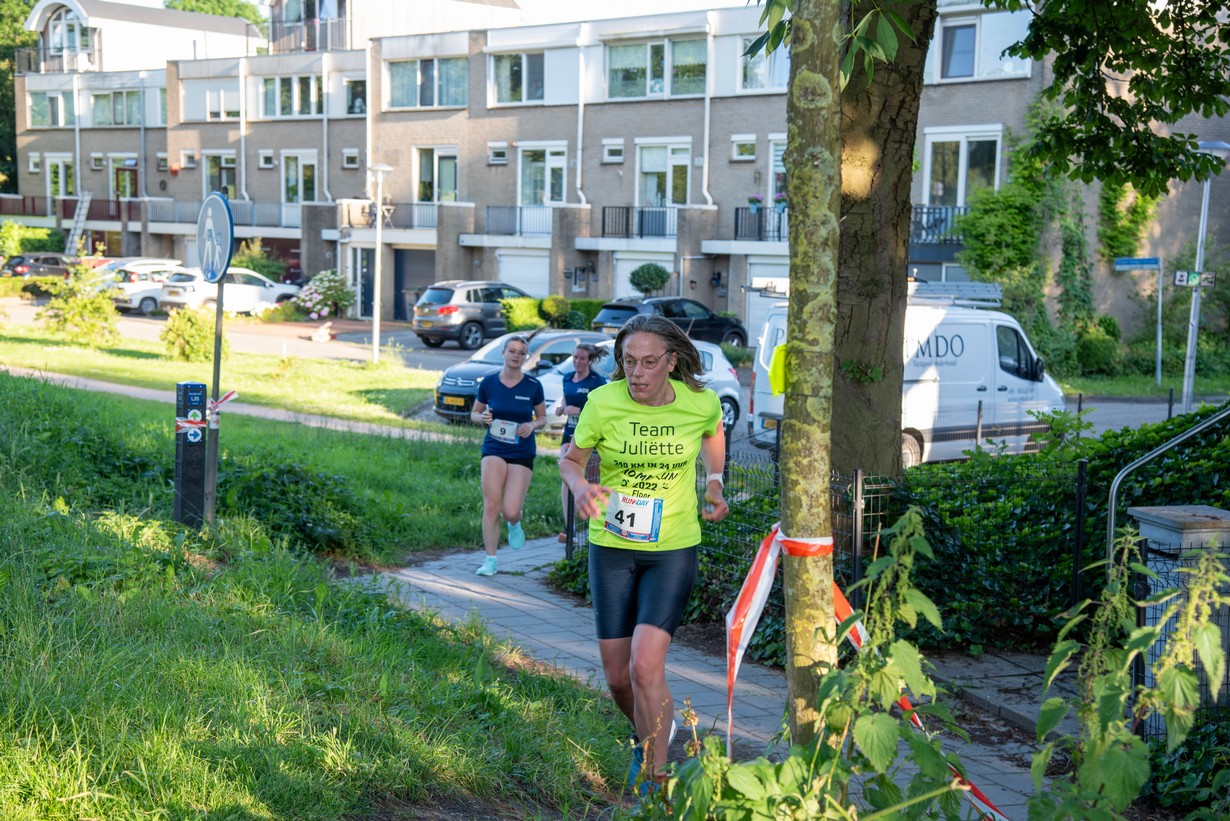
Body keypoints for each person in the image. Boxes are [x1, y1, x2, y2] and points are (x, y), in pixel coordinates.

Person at [558, 315, 729, 793]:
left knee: (645, 664)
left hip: (672, 545)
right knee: (617, 678)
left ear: (672, 362)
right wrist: (580, 486)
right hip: (612, 547)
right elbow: (569, 461)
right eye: (629, 362)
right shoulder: (602, 402)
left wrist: (713, 481)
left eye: (649, 362)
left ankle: (656, 778)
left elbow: (714, 433)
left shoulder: (700, 402)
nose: (637, 373)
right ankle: (649, 733)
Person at [470, 333, 548, 577]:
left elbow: (543, 418)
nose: (516, 356)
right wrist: (482, 418)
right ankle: (490, 560)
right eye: (512, 351)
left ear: (526, 357)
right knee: (491, 505)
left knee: (510, 510)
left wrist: (532, 426)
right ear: (503, 353)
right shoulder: (489, 383)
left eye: (521, 353)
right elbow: (474, 413)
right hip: (494, 447)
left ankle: (515, 523)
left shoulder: (533, 386)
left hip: (522, 449)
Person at [554, 342, 608, 542]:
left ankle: (594, 525)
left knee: (590, 482)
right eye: (575, 357)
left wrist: (580, 411)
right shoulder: (567, 378)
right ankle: (569, 531)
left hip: (591, 438)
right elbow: (567, 399)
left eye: (582, 358)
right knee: (567, 478)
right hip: (570, 434)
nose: (577, 361)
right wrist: (562, 408)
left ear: (590, 361)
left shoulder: (598, 381)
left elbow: (603, 410)